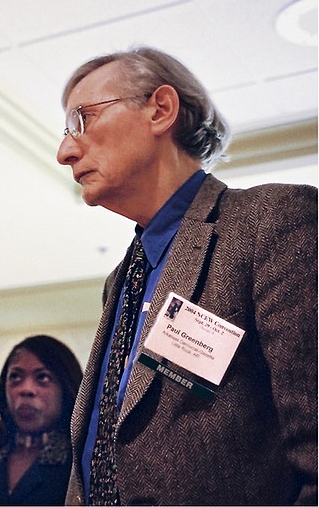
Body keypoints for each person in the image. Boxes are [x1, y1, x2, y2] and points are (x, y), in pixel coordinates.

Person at [56, 46, 317, 505]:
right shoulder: (121, 280)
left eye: (82, 120)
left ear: (160, 110)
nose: (65, 151)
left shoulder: (270, 222)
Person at [0, 335, 83, 506]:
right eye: (15, 377)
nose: (26, 389)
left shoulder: (79, 468)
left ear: (66, 389)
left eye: (42, 377)